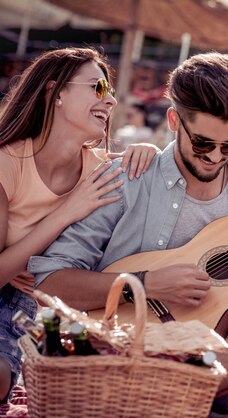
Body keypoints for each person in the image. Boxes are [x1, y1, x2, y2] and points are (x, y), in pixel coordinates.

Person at [29, 52, 228, 416]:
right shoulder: (126, 179)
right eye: (203, 144)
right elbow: (50, 283)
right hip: (120, 353)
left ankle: (173, 398)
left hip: (214, 369)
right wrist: (146, 284)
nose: (215, 157)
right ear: (174, 120)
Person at [0, 47, 159, 403]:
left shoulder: (105, 172)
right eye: (98, 88)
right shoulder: (7, 163)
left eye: (111, 92)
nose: (112, 101)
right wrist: (64, 212)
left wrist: (150, 151)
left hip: (46, 310)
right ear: (54, 92)